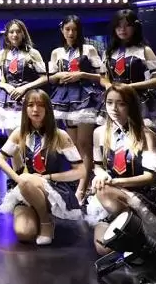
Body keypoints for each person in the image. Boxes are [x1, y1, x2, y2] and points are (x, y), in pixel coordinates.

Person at [86, 84, 156, 254]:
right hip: (109, 196)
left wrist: (116, 182)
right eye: (109, 103)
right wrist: (101, 175)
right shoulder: (99, 133)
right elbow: (98, 167)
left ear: (131, 106)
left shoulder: (147, 135)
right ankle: (124, 232)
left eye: (121, 103)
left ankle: (133, 234)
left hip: (140, 195)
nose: (114, 108)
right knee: (103, 250)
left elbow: (150, 177)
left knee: (104, 191)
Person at [0, 90, 84, 245]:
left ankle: (45, 222)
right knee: (24, 234)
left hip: (53, 187)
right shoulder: (19, 133)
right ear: (25, 109)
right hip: (26, 187)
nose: (35, 109)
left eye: (40, 105)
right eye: (30, 105)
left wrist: (48, 177)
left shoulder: (60, 135)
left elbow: (80, 171)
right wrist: (19, 180)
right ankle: (36, 213)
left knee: (27, 180)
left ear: (47, 109)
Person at [48, 15, 105, 202]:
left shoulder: (88, 49)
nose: (71, 33)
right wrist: (59, 76)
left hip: (84, 97)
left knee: (84, 144)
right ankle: (81, 183)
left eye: (74, 29)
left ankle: (82, 188)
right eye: (67, 29)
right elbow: (51, 78)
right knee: (72, 146)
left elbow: (101, 76)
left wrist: (81, 74)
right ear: (62, 30)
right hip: (65, 99)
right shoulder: (56, 52)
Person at [101, 9, 156, 128]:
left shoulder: (145, 50)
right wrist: (108, 85)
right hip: (114, 100)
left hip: (139, 100)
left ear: (135, 27)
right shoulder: (108, 52)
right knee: (116, 136)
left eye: (127, 25)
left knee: (140, 136)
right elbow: (103, 77)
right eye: (118, 26)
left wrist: (129, 86)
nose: (122, 29)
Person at [0, 19, 48, 131]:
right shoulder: (0, 54)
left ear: (23, 34)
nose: (15, 35)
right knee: (11, 136)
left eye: (18, 31)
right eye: (11, 32)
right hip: (7, 97)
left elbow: (44, 78)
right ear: (7, 35)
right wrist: (6, 86)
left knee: (28, 133)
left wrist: (24, 87)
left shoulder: (33, 53)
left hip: (27, 96)